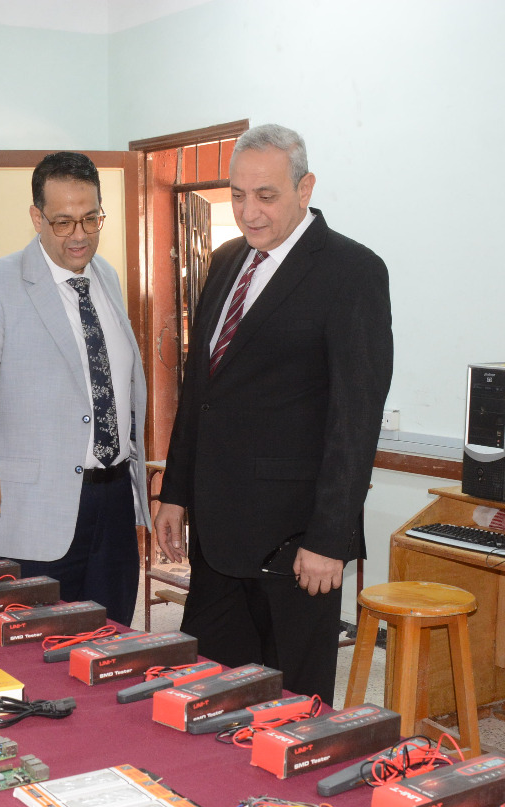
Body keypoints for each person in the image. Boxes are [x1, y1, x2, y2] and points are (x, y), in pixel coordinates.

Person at [156, 124, 393, 701]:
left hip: (295, 542)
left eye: (266, 196)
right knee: (208, 694)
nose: (248, 211)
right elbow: (201, 391)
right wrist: (176, 492)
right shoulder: (225, 260)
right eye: (238, 195)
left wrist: (330, 538)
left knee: (292, 708)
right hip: (216, 533)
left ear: (304, 188)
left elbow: (355, 417)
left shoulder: (352, 271)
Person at [0, 152, 148, 624]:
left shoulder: (106, 276)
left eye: (91, 219)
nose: (79, 235)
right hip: (32, 513)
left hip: (114, 504)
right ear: (37, 218)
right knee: (35, 651)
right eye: (63, 222)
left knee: (113, 642)